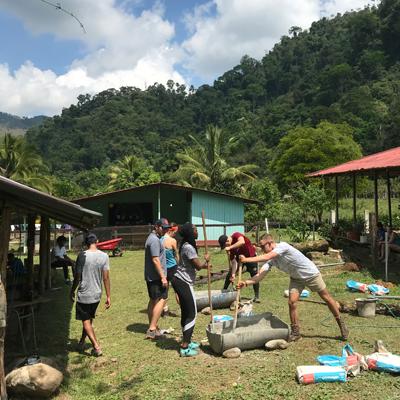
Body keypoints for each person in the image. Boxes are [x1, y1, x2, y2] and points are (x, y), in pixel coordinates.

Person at [237, 234, 349, 342]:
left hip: (310, 274)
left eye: (262, 246)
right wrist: (246, 283)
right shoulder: (270, 259)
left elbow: (267, 256)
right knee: (291, 302)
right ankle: (296, 333)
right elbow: (260, 276)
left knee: (327, 298)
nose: (261, 249)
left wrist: (246, 259)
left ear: (270, 243)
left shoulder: (282, 246)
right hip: (296, 278)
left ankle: (342, 324)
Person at [171, 223, 210, 357]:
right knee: (192, 313)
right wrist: (206, 261)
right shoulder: (188, 247)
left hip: (179, 280)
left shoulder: (185, 245)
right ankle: (185, 346)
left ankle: (186, 340)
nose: (197, 232)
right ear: (189, 232)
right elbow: (198, 266)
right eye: (195, 230)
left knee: (186, 312)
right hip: (183, 282)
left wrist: (204, 265)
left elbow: (193, 265)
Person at [70, 233, 111, 357]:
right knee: (88, 319)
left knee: (85, 321)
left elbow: (77, 276)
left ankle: (96, 347)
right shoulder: (104, 256)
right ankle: (82, 341)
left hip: (85, 293)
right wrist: (108, 296)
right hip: (97, 294)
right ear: (97, 241)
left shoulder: (82, 255)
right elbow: (106, 278)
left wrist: (72, 290)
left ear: (86, 243)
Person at [144, 218, 171, 339]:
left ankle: (153, 326)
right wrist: (163, 277)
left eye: (167, 228)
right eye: (163, 228)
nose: (165, 230)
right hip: (156, 277)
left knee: (153, 300)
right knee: (163, 299)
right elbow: (155, 260)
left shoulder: (153, 238)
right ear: (156, 227)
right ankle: (152, 328)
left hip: (152, 276)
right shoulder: (154, 240)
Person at [218, 232, 260, 302]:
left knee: (254, 275)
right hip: (240, 259)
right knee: (230, 274)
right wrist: (233, 274)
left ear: (227, 241)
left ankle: (256, 296)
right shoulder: (230, 249)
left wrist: (230, 247)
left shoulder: (236, 235)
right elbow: (234, 263)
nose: (226, 247)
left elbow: (242, 242)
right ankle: (224, 290)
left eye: (225, 246)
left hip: (251, 256)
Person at [160, 223, 180, 316]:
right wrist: (179, 265)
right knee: (177, 289)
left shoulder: (159, 240)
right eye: (174, 232)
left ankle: (165, 310)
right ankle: (183, 308)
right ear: (170, 230)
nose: (175, 234)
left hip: (163, 268)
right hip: (173, 267)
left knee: (164, 290)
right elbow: (176, 255)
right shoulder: (173, 241)